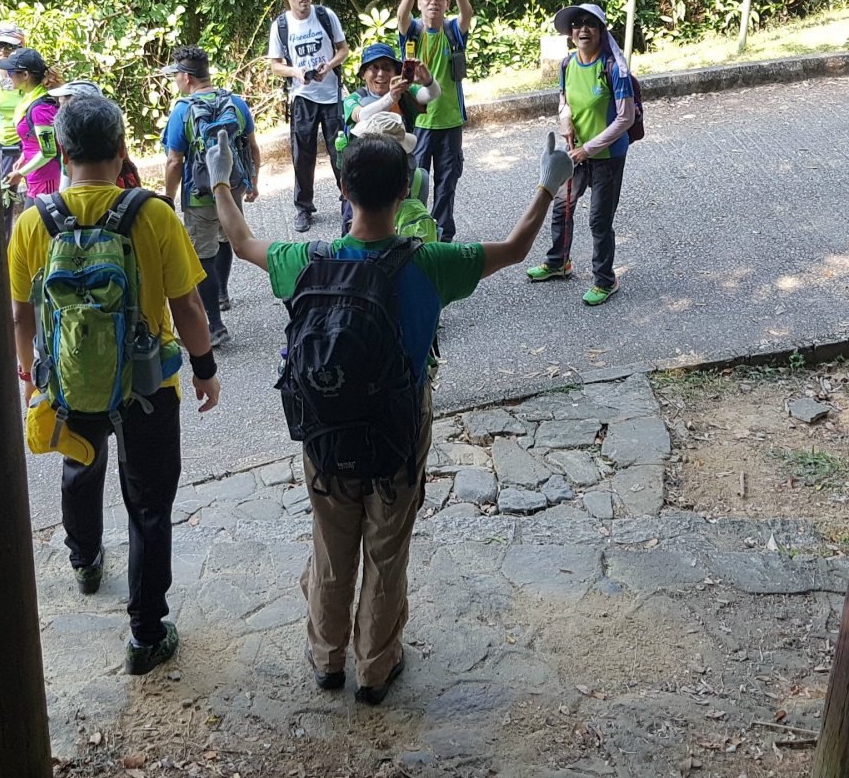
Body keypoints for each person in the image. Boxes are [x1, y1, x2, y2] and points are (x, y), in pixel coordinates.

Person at [206, 126, 575, 704]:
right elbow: (516, 248)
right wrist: (548, 185)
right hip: (399, 428)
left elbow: (240, 237)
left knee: (331, 544)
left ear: (342, 189)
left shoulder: (304, 260)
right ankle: (375, 669)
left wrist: (221, 180)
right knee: (386, 547)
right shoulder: (430, 262)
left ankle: (327, 658)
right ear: (407, 190)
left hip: (325, 428)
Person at [8, 94, 219, 676]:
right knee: (149, 504)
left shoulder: (32, 223)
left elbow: (21, 316)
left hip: (69, 380)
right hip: (148, 387)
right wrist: (205, 369)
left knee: (80, 463)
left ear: (60, 150)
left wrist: (30, 375)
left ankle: (84, 560)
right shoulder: (153, 215)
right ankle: (146, 634)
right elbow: (189, 306)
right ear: (122, 149)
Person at [526, 3, 637, 306]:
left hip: (607, 157)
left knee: (599, 220)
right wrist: (565, 122)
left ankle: (605, 280)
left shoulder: (614, 68)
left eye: (590, 24)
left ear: (601, 31)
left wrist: (588, 149)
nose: (583, 29)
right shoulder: (567, 64)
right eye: (577, 24)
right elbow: (564, 100)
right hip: (576, 154)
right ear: (570, 33)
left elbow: (625, 118)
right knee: (562, 208)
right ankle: (559, 262)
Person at [160, 45, 260, 346]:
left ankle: (215, 326)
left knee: (202, 255)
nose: (175, 80)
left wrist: (168, 198)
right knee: (225, 237)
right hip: (232, 188)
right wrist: (253, 181)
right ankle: (222, 293)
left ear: (188, 77)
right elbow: (252, 147)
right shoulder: (236, 103)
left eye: (176, 75)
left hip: (199, 194)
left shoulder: (183, 111)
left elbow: (175, 161)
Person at [265, 0, 349, 233]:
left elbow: (343, 49)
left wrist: (329, 65)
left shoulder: (325, 16)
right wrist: (296, 72)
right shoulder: (281, 26)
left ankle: (349, 201)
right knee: (302, 154)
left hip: (331, 94)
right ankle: (303, 208)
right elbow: (276, 65)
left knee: (341, 151)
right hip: (302, 96)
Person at [396, 0, 475, 241]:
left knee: (446, 184)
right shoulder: (413, 32)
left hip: (450, 121)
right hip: (419, 123)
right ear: (419, 3)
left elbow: (467, 15)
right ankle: (416, 232)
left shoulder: (453, 31)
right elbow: (401, 16)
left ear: (446, 4)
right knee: (415, 182)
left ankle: (443, 237)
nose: (433, 3)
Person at [336, 42, 440, 234]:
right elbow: (362, 115)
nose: (381, 74)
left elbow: (431, 94)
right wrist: (391, 98)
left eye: (387, 68)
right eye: (374, 68)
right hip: (363, 172)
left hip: (397, 168)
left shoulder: (405, 94)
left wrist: (428, 80)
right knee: (356, 222)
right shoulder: (354, 99)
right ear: (363, 74)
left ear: (396, 72)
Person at [0, 46, 65, 199]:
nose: (8, 77)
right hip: (36, 176)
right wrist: (24, 157)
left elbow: (48, 151)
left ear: (25, 75)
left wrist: (20, 173)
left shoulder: (41, 108)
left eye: (10, 72)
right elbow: (34, 140)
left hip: (47, 180)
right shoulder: (30, 99)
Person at [0, 24, 28, 233]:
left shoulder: (32, 73)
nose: (3, 50)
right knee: (3, 201)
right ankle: (3, 248)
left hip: (32, 142)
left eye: (9, 46)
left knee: (40, 197)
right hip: (4, 143)